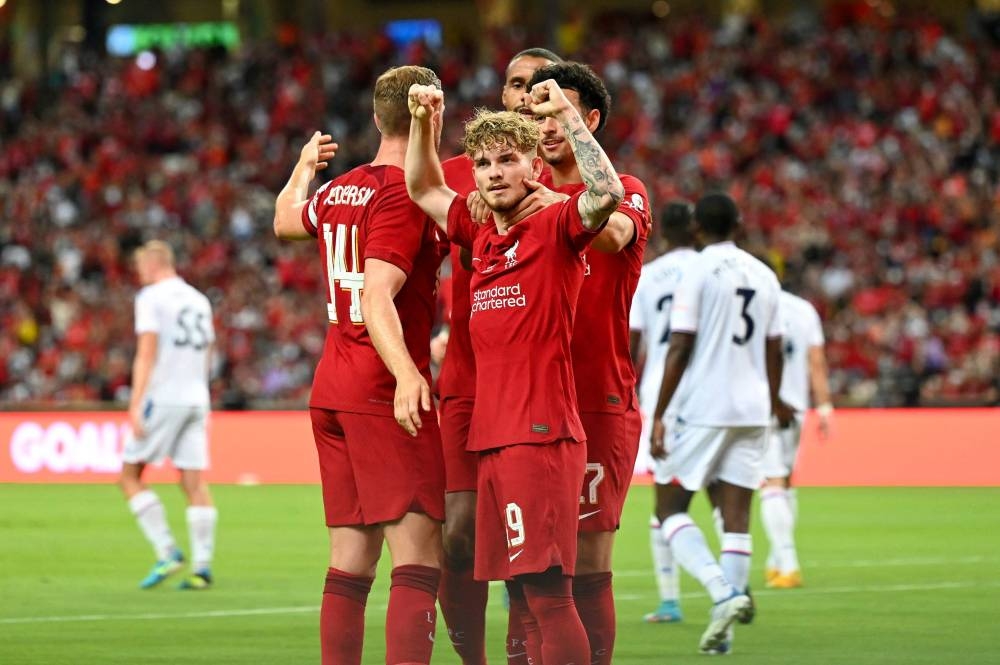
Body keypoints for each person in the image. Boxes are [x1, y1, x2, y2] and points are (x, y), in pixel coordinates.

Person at [405, 79, 624, 665]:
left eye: (508, 159)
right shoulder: (480, 233)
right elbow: (423, 186)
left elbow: (606, 196)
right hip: (493, 440)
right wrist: (426, 122)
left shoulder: (556, 229)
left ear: (535, 167)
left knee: (550, 595)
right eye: (482, 162)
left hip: (541, 435)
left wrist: (567, 120)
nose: (494, 172)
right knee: (524, 593)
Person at [272, 65, 446, 665]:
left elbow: (284, 220)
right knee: (419, 553)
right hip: (378, 388)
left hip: (331, 386)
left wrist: (302, 168)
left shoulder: (341, 187)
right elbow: (377, 295)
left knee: (349, 561)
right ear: (433, 116)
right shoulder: (404, 192)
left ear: (375, 118)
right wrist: (406, 373)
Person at [436, 47, 562, 665]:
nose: (525, 94)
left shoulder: (574, 185)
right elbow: (420, 206)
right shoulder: (466, 171)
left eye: (540, 86)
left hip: (545, 386)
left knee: (542, 561)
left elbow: (614, 227)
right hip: (469, 381)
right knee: (457, 538)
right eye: (516, 84)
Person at [524, 60, 649, 665]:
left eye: (559, 110)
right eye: (538, 111)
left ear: (589, 118)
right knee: (530, 564)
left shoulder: (627, 188)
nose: (545, 124)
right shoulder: (514, 199)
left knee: (589, 562)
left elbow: (610, 236)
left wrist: (549, 196)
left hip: (597, 399)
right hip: (530, 405)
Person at [650, 193, 791, 654]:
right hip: (753, 410)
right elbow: (772, 349)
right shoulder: (765, 275)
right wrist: (773, 402)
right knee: (735, 521)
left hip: (705, 405)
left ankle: (723, 594)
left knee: (669, 509)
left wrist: (658, 413)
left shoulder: (695, 270)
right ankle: (722, 637)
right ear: (740, 223)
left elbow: (680, 344)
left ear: (696, 230)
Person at [119, 240, 218, 591]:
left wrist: (135, 403)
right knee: (192, 481)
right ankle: (202, 568)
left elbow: (146, 352)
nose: (139, 274)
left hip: (163, 397)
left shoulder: (151, 298)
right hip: (196, 397)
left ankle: (167, 551)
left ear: (152, 264)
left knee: (129, 475)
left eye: (140, 267)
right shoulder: (199, 300)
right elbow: (208, 350)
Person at [628, 201, 700, 623]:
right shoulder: (713, 269)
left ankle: (670, 599)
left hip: (663, 395)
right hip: (712, 392)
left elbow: (633, 344)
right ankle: (734, 578)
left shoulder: (648, 276)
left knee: (665, 496)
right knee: (727, 495)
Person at [760, 286, 833, 588]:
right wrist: (825, 405)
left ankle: (788, 563)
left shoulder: (755, 305)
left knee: (771, 482)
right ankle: (776, 560)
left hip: (762, 406)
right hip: (797, 407)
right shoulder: (805, 309)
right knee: (786, 481)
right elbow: (815, 361)